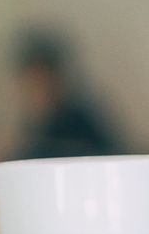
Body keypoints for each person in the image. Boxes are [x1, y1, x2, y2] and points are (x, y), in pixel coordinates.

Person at [8, 28, 121, 162]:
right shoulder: (34, 125)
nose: (35, 91)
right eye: (31, 84)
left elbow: (100, 153)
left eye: (41, 82)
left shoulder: (78, 121)